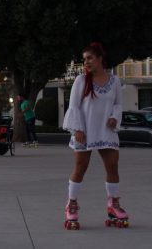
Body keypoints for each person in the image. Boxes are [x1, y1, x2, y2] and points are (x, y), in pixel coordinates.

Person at [62, 42, 128, 229]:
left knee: (113, 166)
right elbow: (74, 107)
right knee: (81, 167)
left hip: (106, 131)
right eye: (84, 59)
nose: (86, 62)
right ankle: (71, 204)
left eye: (90, 58)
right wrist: (78, 129)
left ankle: (113, 204)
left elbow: (117, 105)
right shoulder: (81, 81)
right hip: (85, 130)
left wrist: (115, 118)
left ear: (100, 58)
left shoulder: (114, 81)